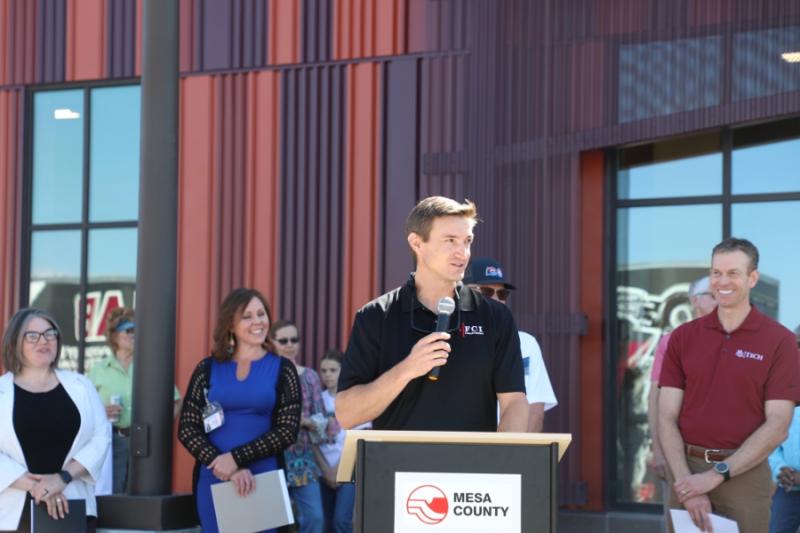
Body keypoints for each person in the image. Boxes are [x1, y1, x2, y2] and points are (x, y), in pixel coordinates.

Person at [337, 196, 528, 432]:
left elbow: (515, 403)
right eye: (450, 241)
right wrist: (407, 369)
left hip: (473, 466)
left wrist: (502, 461)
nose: (463, 253)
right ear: (417, 243)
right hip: (397, 466)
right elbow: (346, 415)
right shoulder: (376, 316)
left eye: (467, 241)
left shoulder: (496, 317)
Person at [658, 238, 799, 533]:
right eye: (716, 273)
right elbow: (666, 416)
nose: (722, 282)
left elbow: (778, 424)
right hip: (686, 468)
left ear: (752, 278)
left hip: (744, 474)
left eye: (733, 273)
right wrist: (688, 484)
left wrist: (717, 474)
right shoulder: (683, 338)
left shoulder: (780, 341)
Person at [178, 288, 301, 533]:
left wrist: (235, 459)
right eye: (247, 316)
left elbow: (287, 431)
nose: (258, 321)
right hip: (215, 475)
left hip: (262, 477)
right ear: (230, 324)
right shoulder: (207, 368)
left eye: (261, 313)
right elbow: (187, 428)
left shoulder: (283, 369)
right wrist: (221, 463)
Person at [0, 308, 110, 532]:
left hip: (73, 505)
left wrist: (62, 479)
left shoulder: (81, 386)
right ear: (14, 342)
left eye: (50, 334)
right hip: (12, 511)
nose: (44, 340)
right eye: (32, 336)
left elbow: (101, 438)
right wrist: (36, 487)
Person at [88, 307, 182, 494]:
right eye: (129, 330)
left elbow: (176, 400)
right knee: (110, 494)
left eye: (138, 330)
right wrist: (101, 412)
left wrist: (159, 430)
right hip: (110, 440)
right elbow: (84, 409)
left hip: (145, 441)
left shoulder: (150, 366)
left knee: (143, 495)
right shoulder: (98, 371)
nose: (135, 335)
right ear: (114, 336)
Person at [647, 276, 716, 522]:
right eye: (712, 293)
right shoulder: (674, 340)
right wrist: (657, 448)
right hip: (681, 454)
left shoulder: (739, 339)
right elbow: (655, 396)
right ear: (694, 301)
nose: (720, 297)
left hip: (731, 457)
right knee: (684, 522)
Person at [463, 257, 558, 432]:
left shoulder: (526, 343)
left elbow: (535, 412)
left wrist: (514, 457)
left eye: (502, 294)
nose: (497, 300)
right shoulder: (449, 337)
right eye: (486, 292)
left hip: (507, 454)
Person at [269, 319, 325, 533]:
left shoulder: (310, 376)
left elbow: (321, 422)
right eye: (283, 340)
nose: (290, 344)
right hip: (270, 458)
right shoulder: (265, 375)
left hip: (303, 458)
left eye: (294, 339)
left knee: (315, 518)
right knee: (271, 522)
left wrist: (304, 421)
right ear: (272, 342)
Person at [315, 350, 370, 533]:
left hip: (348, 471)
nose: (328, 374)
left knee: (342, 521)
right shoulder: (317, 400)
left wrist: (339, 469)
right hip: (322, 471)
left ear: (343, 370)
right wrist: (325, 470)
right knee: (325, 523)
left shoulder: (353, 400)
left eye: (333, 370)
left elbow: (359, 437)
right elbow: (311, 440)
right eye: (323, 370)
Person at [767, 326, 800, 533]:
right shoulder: (784, 385)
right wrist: (780, 469)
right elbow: (771, 438)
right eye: (796, 344)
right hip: (788, 487)